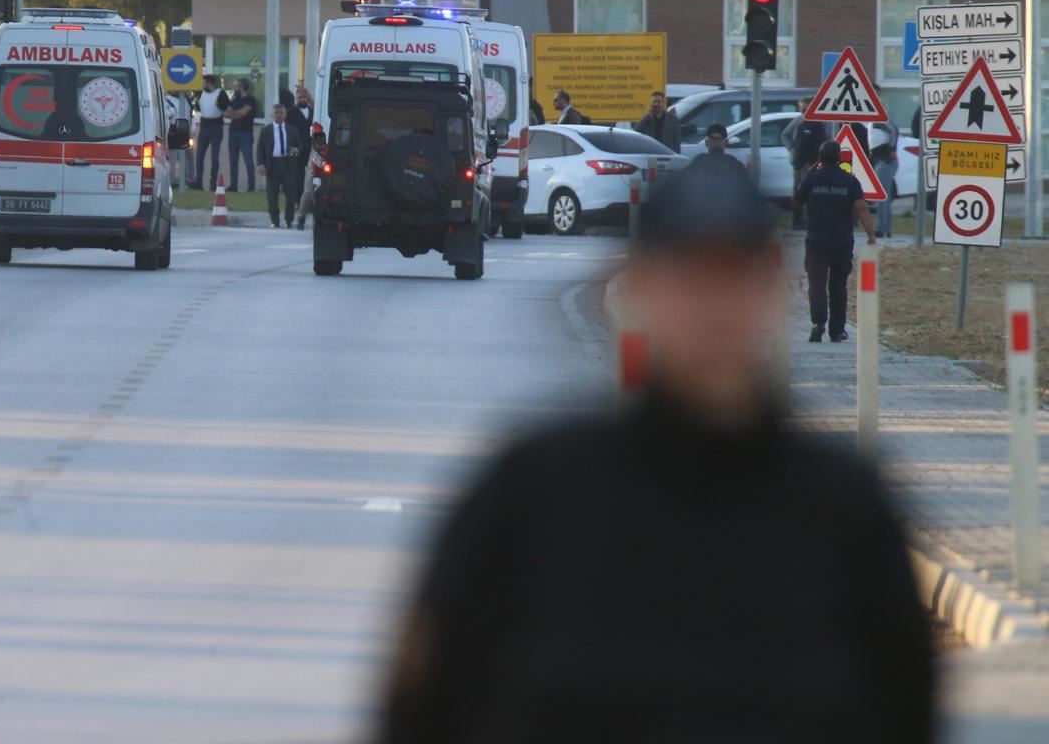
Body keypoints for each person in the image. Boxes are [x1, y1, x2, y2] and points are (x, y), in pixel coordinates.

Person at [377, 162, 935, 743]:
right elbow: (421, 707)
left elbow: (905, 709)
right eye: (688, 275)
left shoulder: (842, 514)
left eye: (735, 273)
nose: (713, 304)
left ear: (775, 289)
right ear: (635, 287)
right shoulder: (535, 498)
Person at [794, 138, 878, 343]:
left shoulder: (812, 178)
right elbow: (861, 208)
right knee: (838, 285)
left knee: (817, 283)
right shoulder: (849, 180)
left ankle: (818, 322)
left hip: (816, 241)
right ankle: (837, 330)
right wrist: (871, 235)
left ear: (819, 157)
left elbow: (796, 200)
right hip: (841, 241)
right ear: (840, 158)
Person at [256, 102, 303, 228]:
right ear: (272, 114)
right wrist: (260, 164)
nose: (279, 115)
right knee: (272, 195)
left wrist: (296, 150)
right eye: (276, 113)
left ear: (285, 114)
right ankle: (274, 221)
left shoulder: (292, 130)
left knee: (290, 195)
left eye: (281, 113)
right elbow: (260, 148)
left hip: (288, 165)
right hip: (272, 165)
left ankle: (288, 220)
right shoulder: (266, 130)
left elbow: (301, 146)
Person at [782, 116, 828, 228]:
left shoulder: (819, 122)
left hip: (806, 162)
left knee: (805, 192)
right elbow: (785, 135)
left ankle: (801, 220)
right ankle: (800, 220)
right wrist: (792, 148)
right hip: (806, 162)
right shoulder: (799, 121)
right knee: (804, 191)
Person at [194, 74, 228, 190]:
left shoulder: (220, 93)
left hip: (216, 127)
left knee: (215, 157)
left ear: (210, 83)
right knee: (199, 156)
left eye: (205, 82)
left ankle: (213, 183)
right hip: (204, 126)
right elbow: (198, 107)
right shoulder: (200, 93)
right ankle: (198, 182)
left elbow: (226, 107)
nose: (203, 85)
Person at [226, 78, 259, 192]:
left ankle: (251, 186)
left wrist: (234, 113)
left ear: (244, 87)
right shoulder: (234, 99)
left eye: (238, 86)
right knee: (233, 161)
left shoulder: (251, 100)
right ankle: (233, 185)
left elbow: (243, 113)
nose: (235, 88)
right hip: (233, 132)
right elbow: (227, 113)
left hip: (246, 133)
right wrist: (236, 113)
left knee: (248, 160)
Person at [296, 123, 327, 230]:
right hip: (313, 171)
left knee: (316, 195)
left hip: (321, 170)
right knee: (308, 193)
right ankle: (301, 218)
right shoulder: (310, 140)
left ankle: (316, 218)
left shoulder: (319, 140)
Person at [872, 142, 898, 239]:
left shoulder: (884, 128)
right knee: (885, 198)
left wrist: (891, 152)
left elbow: (891, 144)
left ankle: (881, 229)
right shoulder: (888, 128)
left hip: (886, 162)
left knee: (882, 197)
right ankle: (886, 229)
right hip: (885, 162)